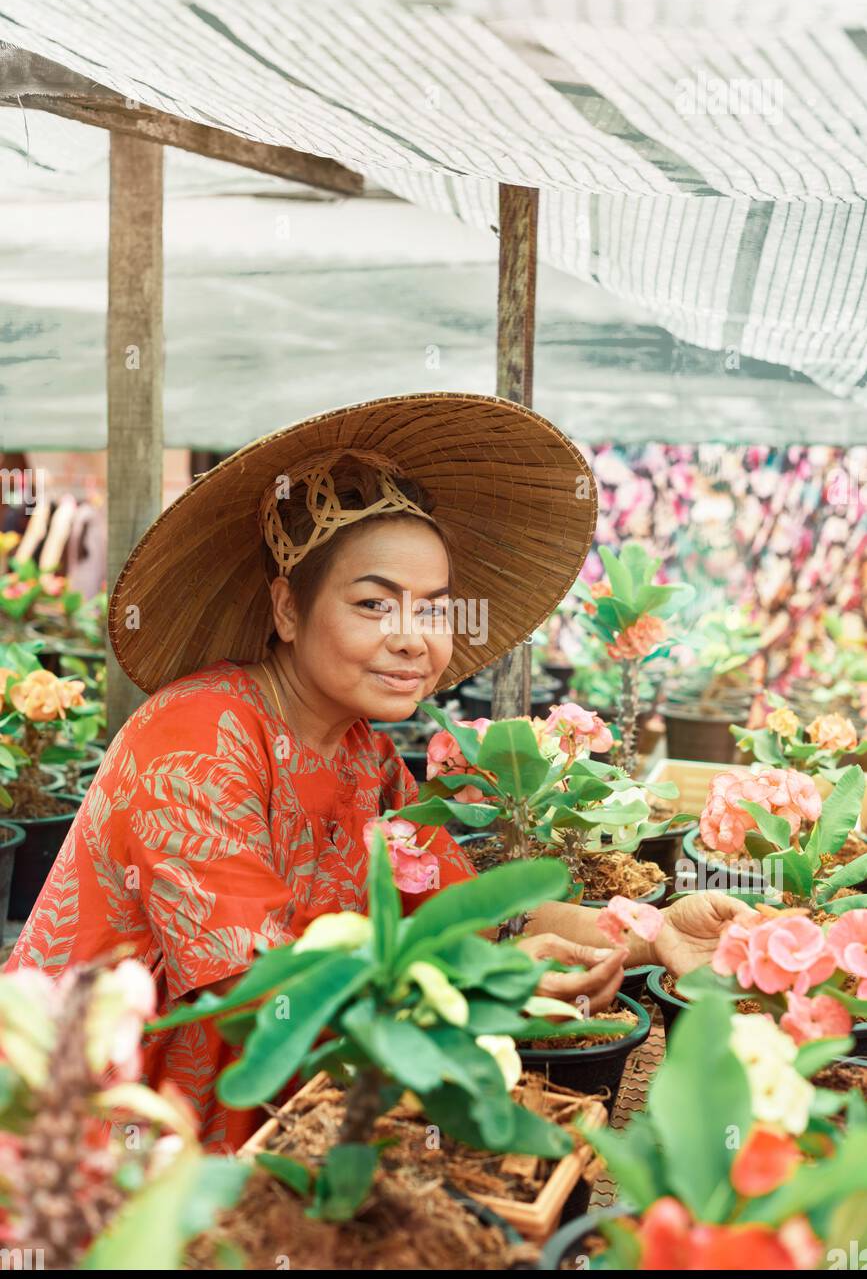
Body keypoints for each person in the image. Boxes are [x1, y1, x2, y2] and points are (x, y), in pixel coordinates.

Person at [5, 394, 757, 1150]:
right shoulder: (193, 738)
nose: (412, 639)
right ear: (288, 611)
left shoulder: (366, 757)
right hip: (93, 1140)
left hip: (265, 1129)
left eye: (433, 610)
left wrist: (654, 932)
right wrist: (476, 990)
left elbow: (481, 923)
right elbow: (257, 989)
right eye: (373, 603)